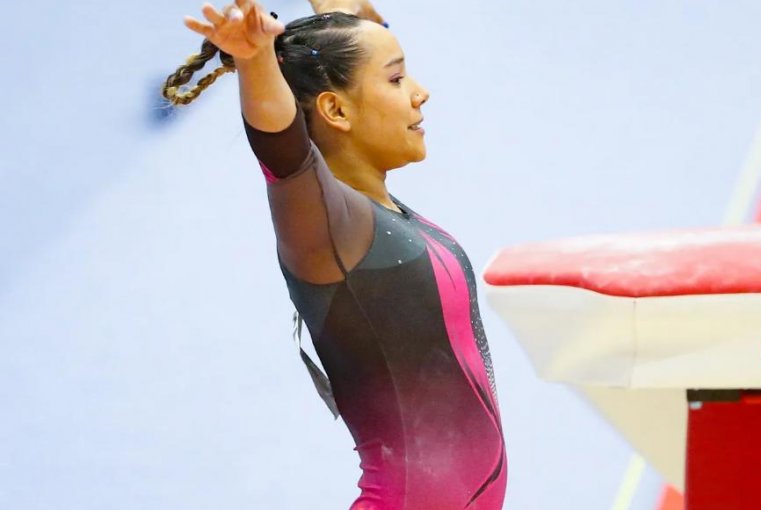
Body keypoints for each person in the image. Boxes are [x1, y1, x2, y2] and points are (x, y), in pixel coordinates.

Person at [162, 1, 507, 508]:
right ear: (335, 110)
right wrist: (257, 62)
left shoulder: (379, 214)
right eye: (396, 80)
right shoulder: (331, 229)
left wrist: (345, 16)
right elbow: (284, 152)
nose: (420, 93)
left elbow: (341, 53)